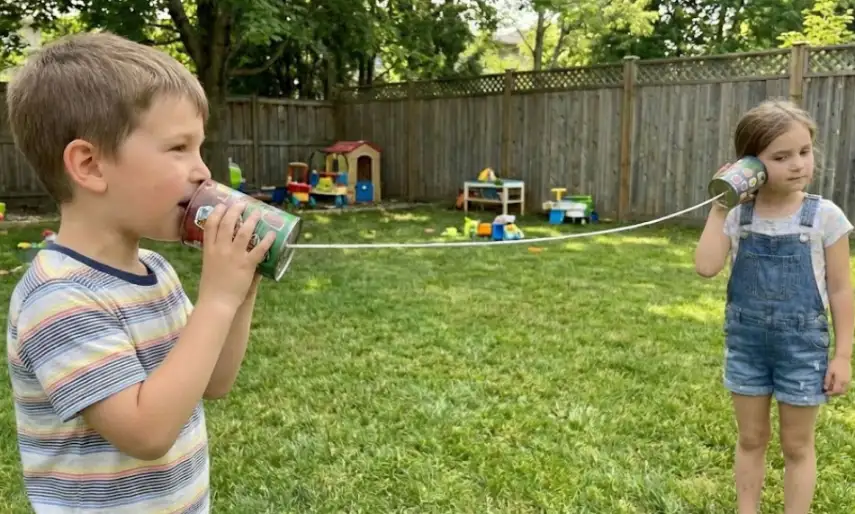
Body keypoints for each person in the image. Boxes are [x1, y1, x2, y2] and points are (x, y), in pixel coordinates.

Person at [5, 31, 276, 513]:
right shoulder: (58, 299)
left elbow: (213, 382)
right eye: (178, 148)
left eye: (199, 148)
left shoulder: (156, 270)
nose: (202, 173)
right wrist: (215, 298)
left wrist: (240, 291)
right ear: (89, 165)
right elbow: (147, 432)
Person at [695, 99, 853, 514]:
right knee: (751, 439)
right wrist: (720, 203)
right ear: (752, 165)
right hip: (748, 346)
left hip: (803, 350)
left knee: (797, 445)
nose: (798, 164)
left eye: (804, 151)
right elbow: (706, 266)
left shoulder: (825, 218)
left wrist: (841, 354)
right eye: (781, 157)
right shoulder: (738, 217)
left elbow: (840, 289)